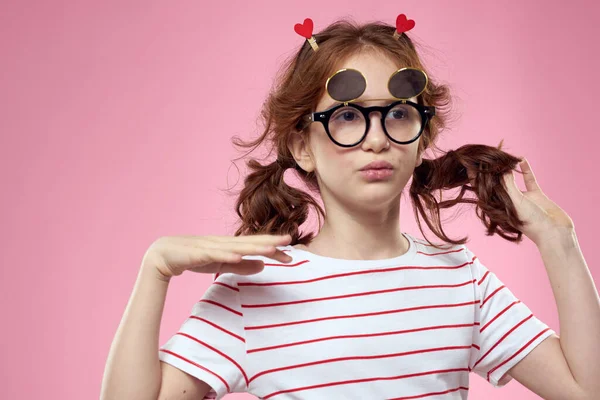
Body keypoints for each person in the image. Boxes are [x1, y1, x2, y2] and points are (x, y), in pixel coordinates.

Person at [101, 14, 599, 400]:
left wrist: (560, 239)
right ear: (301, 146)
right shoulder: (257, 288)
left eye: (399, 114)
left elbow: (587, 390)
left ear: (422, 137)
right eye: (346, 117)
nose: (377, 140)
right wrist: (156, 269)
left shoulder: (461, 280)